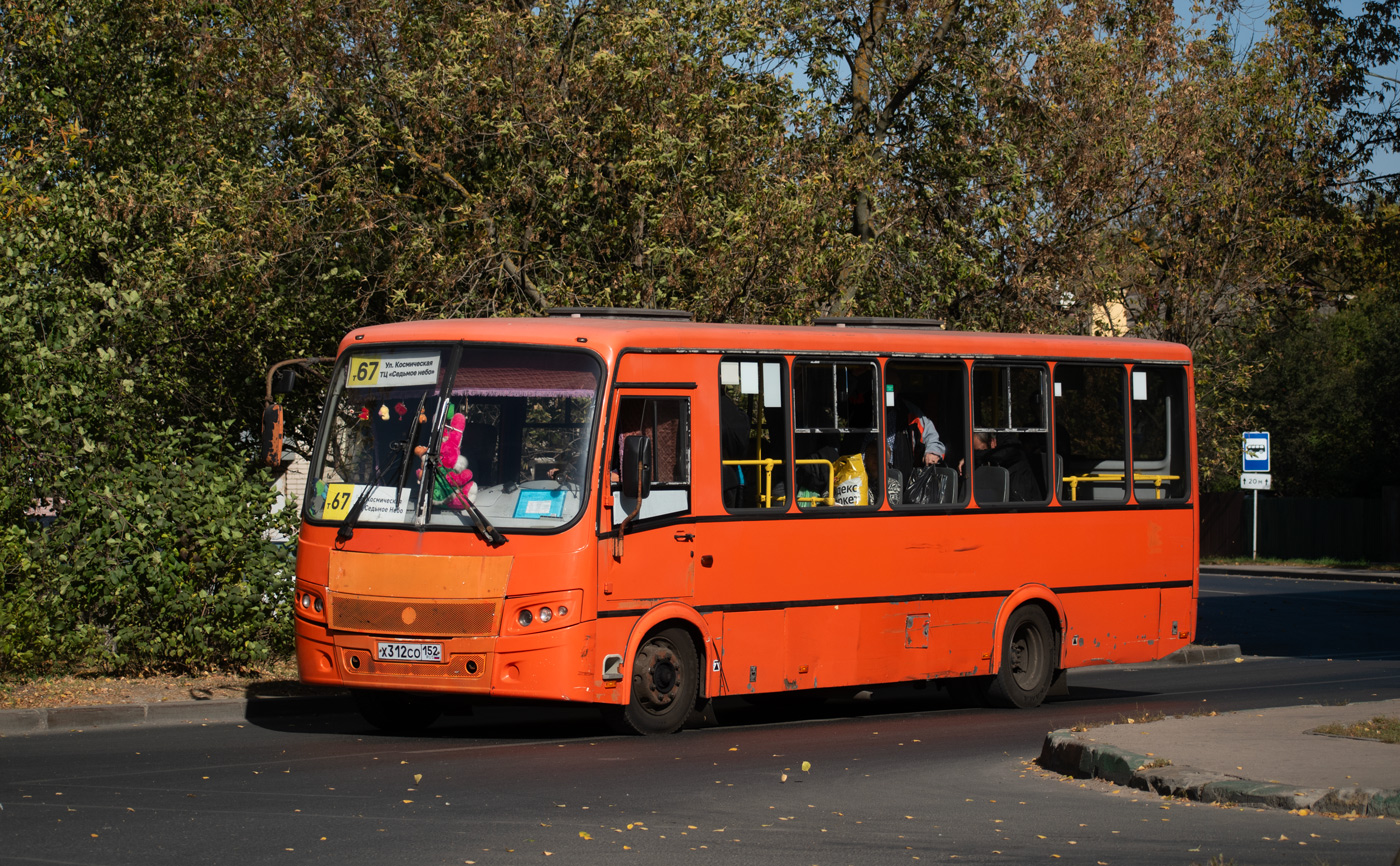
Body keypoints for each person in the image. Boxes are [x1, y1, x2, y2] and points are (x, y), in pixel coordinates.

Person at [968, 431, 1041, 502]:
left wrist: (973, 456)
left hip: (1023, 501)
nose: (981, 454)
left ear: (992, 442)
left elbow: (1000, 455)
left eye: (981, 451)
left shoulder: (1011, 447)